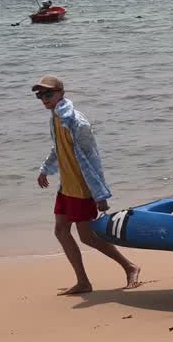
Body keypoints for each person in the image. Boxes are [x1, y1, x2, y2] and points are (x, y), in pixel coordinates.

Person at [32, 75, 140, 294]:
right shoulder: (55, 118)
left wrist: (100, 195)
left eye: (48, 94)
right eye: (40, 95)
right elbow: (58, 147)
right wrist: (45, 169)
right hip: (66, 186)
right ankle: (83, 281)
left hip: (82, 189)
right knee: (61, 230)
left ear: (61, 93)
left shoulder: (77, 122)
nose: (44, 99)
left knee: (88, 237)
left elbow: (92, 158)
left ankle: (130, 267)